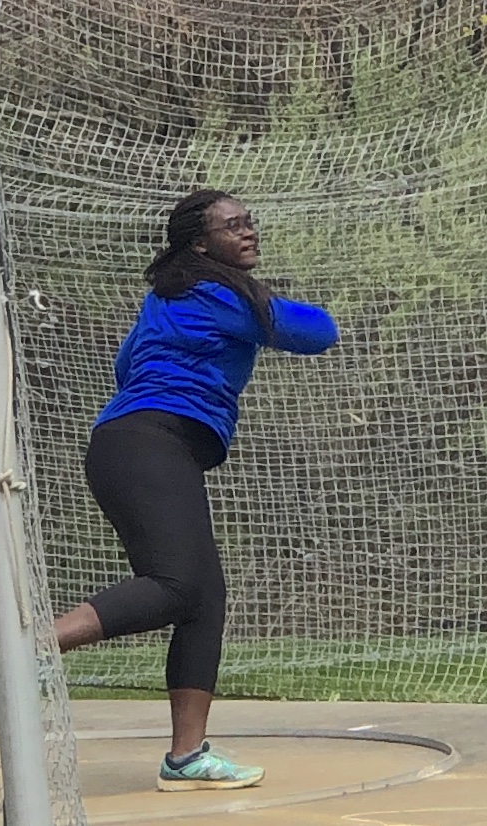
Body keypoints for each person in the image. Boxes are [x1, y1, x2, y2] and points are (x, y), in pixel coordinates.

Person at [54, 189, 339, 792]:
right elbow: (318, 332)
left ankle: (186, 758)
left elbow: (125, 367)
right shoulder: (220, 294)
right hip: (148, 443)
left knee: (204, 596)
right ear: (199, 243)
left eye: (249, 222)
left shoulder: (166, 299)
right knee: (178, 585)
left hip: (135, 444)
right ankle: (33, 646)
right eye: (233, 226)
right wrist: (262, 306)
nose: (248, 232)